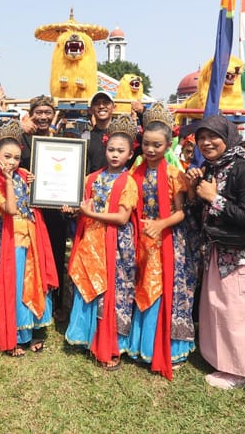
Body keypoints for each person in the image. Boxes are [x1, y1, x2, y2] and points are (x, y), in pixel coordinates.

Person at [184, 115, 245, 391]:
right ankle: (227, 363)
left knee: (244, 314)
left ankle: (243, 372)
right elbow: (201, 213)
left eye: (212, 136)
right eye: (201, 138)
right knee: (224, 310)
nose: (205, 142)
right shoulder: (212, 167)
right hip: (222, 250)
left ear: (228, 137)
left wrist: (212, 197)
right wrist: (194, 192)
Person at [64, 114, 139, 371]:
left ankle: (109, 343)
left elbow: (121, 217)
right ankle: (86, 337)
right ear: (104, 148)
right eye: (111, 150)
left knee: (112, 292)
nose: (115, 155)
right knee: (87, 284)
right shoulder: (92, 177)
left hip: (115, 245)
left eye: (121, 151)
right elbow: (83, 205)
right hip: (91, 239)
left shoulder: (128, 182)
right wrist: (72, 210)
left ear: (130, 154)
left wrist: (88, 213)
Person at [0, 120, 58, 356]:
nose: (12, 162)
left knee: (34, 281)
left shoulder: (25, 175)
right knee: (15, 285)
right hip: (12, 239)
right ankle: (15, 334)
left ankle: (33, 327)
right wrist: (8, 179)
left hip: (33, 236)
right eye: (7, 156)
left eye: (16, 158)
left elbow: (40, 197)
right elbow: (9, 208)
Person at [127, 104, 187, 378]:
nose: (150, 150)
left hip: (164, 242)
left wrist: (160, 224)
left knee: (159, 291)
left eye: (157, 145)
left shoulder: (175, 175)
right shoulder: (133, 174)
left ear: (168, 145)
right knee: (139, 288)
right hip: (138, 239)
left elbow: (181, 212)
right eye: (147, 144)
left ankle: (160, 346)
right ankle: (140, 344)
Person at [19, 95, 67, 318]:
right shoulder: (21, 138)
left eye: (48, 112)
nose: (43, 117)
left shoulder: (63, 139)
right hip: (28, 207)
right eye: (39, 112)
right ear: (31, 114)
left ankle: (55, 303)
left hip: (55, 207)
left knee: (56, 253)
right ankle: (28, 300)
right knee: (31, 255)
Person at [85, 91, 116, 174]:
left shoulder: (122, 135)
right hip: (92, 184)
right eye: (97, 103)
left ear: (114, 107)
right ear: (91, 109)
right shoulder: (85, 136)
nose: (101, 106)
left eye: (106, 102)